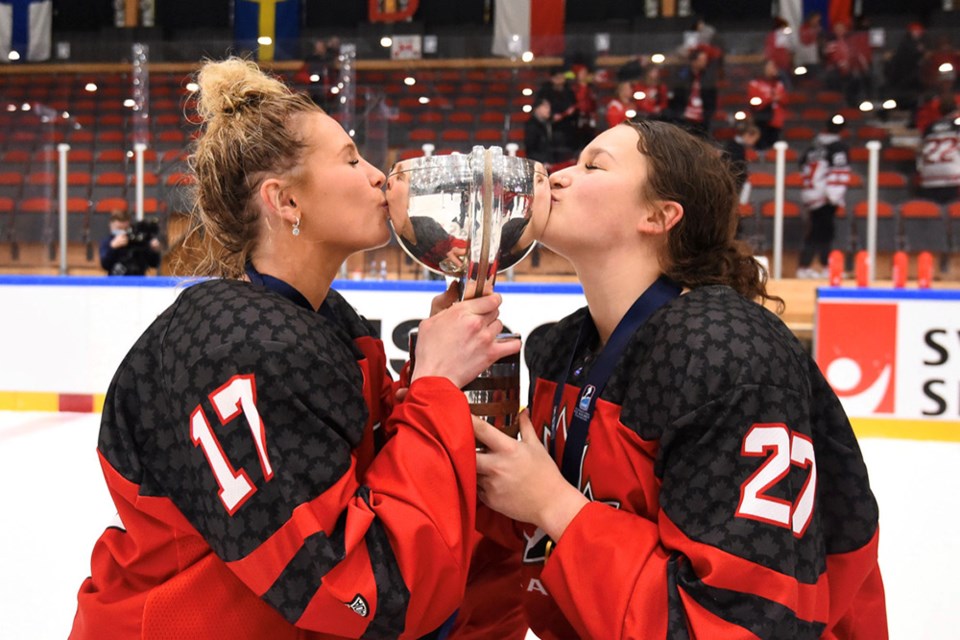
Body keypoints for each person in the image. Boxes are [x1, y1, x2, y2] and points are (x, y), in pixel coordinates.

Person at [70, 58, 520, 639]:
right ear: (284, 202)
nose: (379, 177)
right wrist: (432, 388)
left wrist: (424, 380)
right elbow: (361, 589)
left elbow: (366, 474)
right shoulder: (240, 344)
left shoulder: (321, 318)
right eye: (351, 160)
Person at [449, 120, 887, 638]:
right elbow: (518, 546)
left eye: (593, 166)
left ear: (660, 215)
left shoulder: (726, 352)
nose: (556, 178)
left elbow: (740, 622)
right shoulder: (561, 348)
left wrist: (555, 505)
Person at [798, 116, 851, 278]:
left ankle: (814, 265)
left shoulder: (813, 147)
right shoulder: (838, 147)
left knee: (818, 231)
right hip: (824, 195)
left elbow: (801, 165)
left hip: (810, 193)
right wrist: (834, 196)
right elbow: (838, 172)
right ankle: (818, 266)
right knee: (822, 232)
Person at [917, 96, 960, 205]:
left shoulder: (930, 127)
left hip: (929, 176)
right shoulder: (957, 125)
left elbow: (920, 149)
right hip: (952, 176)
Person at [668, 48, 718, 136]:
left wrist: (707, 114)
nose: (705, 62)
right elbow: (677, 97)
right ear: (694, 61)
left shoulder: (708, 78)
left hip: (702, 120)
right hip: (684, 118)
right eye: (702, 60)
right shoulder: (682, 77)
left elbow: (711, 98)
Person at [99, 208, 162, 276]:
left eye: (125, 229)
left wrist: (154, 251)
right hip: (116, 282)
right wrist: (113, 247)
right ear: (111, 226)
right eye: (119, 228)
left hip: (138, 281)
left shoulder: (137, 241)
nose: (122, 232)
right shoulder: (108, 242)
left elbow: (154, 264)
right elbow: (105, 265)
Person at [747, 59, 788, 149]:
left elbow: (785, 99)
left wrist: (777, 98)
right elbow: (754, 100)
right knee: (761, 145)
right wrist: (770, 98)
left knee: (774, 146)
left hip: (776, 119)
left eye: (774, 67)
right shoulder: (755, 83)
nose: (774, 69)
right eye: (771, 67)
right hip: (761, 117)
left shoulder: (779, 83)